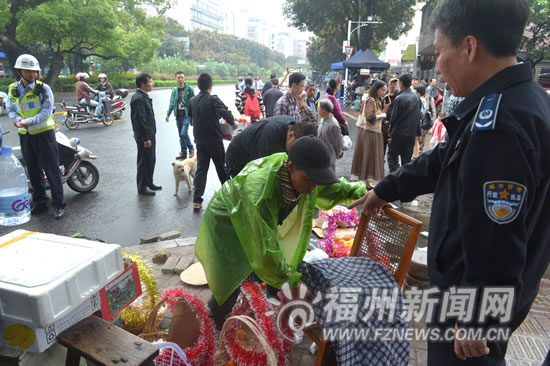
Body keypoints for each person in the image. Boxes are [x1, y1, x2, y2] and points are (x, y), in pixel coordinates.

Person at [349, 0, 550, 365]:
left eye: (441, 52)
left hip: (470, 305)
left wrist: (477, 318)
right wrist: (387, 188)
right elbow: (443, 158)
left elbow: (497, 235)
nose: (438, 68)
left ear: (470, 47)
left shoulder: (500, 125)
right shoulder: (515, 101)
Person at [195, 135, 367, 329]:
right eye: (309, 181)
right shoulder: (259, 193)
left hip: (253, 222)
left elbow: (331, 188)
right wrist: (293, 285)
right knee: (229, 283)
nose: (313, 189)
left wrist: (362, 192)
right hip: (226, 225)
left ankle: (267, 317)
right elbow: (265, 254)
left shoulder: (303, 176)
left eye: (317, 181)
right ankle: (211, 328)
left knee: (267, 275)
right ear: (291, 167)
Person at [6, 54, 65, 219]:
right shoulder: (13, 89)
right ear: (19, 71)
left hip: (44, 135)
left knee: (52, 171)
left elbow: (47, 111)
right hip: (25, 136)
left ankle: (59, 205)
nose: (32, 75)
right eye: (28, 71)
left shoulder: (43, 88)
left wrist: (29, 121)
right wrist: (17, 120)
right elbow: (10, 109)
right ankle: (40, 204)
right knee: (32, 171)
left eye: (35, 71)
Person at [188, 72, 235, 210]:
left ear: (198, 85)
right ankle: (230, 196)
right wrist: (232, 122)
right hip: (214, 140)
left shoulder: (192, 100)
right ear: (210, 86)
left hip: (200, 141)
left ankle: (197, 200)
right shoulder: (213, 99)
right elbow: (225, 113)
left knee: (201, 170)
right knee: (221, 167)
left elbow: (191, 118)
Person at [225, 115, 317, 178]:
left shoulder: (294, 127)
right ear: (291, 135)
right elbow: (263, 172)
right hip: (238, 157)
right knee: (248, 191)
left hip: (255, 148)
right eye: (296, 149)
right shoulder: (270, 139)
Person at [351, 80, 389, 182]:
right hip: (369, 133)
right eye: (382, 90)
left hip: (372, 132)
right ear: (376, 90)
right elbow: (370, 117)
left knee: (370, 157)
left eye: (385, 90)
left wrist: (384, 110)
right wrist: (382, 115)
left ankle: (368, 180)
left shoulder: (375, 100)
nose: (384, 92)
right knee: (369, 156)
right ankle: (368, 180)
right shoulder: (371, 100)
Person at [130, 73, 161, 196]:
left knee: (150, 159)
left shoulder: (143, 96)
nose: (151, 84)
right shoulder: (138, 98)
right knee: (144, 161)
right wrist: (146, 138)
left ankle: (149, 182)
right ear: (143, 84)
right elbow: (140, 120)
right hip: (145, 136)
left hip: (149, 134)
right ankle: (142, 187)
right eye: (150, 82)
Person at [386, 74, 422, 172]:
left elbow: (394, 117)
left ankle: (394, 178)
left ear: (401, 83)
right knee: (406, 159)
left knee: (392, 156)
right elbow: (419, 115)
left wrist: (390, 129)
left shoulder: (399, 98)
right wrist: (418, 132)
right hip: (411, 133)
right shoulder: (416, 98)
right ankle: (404, 180)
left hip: (398, 132)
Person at [166, 71, 195, 160]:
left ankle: (191, 148)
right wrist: (168, 114)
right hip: (178, 115)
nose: (180, 79)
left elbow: (194, 102)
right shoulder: (175, 90)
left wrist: (194, 116)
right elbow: (172, 103)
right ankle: (183, 152)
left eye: (182, 77)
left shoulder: (189, 89)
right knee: (180, 135)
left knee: (183, 133)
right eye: (178, 77)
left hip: (187, 115)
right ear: (175, 78)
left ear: (184, 78)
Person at [317, 98, 349, 171]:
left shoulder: (333, 125)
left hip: (329, 157)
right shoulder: (322, 120)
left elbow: (338, 142)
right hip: (321, 154)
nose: (318, 110)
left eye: (319, 108)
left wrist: (338, 153)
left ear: (324, 110)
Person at [415, 83, 436, 156]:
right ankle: (416, 155)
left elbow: (433, 110)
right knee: (418, 140)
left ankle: (418, 154)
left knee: (421, 140)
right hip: (420, 122)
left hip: (424, 122)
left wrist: (433, 121)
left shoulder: (430, 98)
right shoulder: (417, 98)